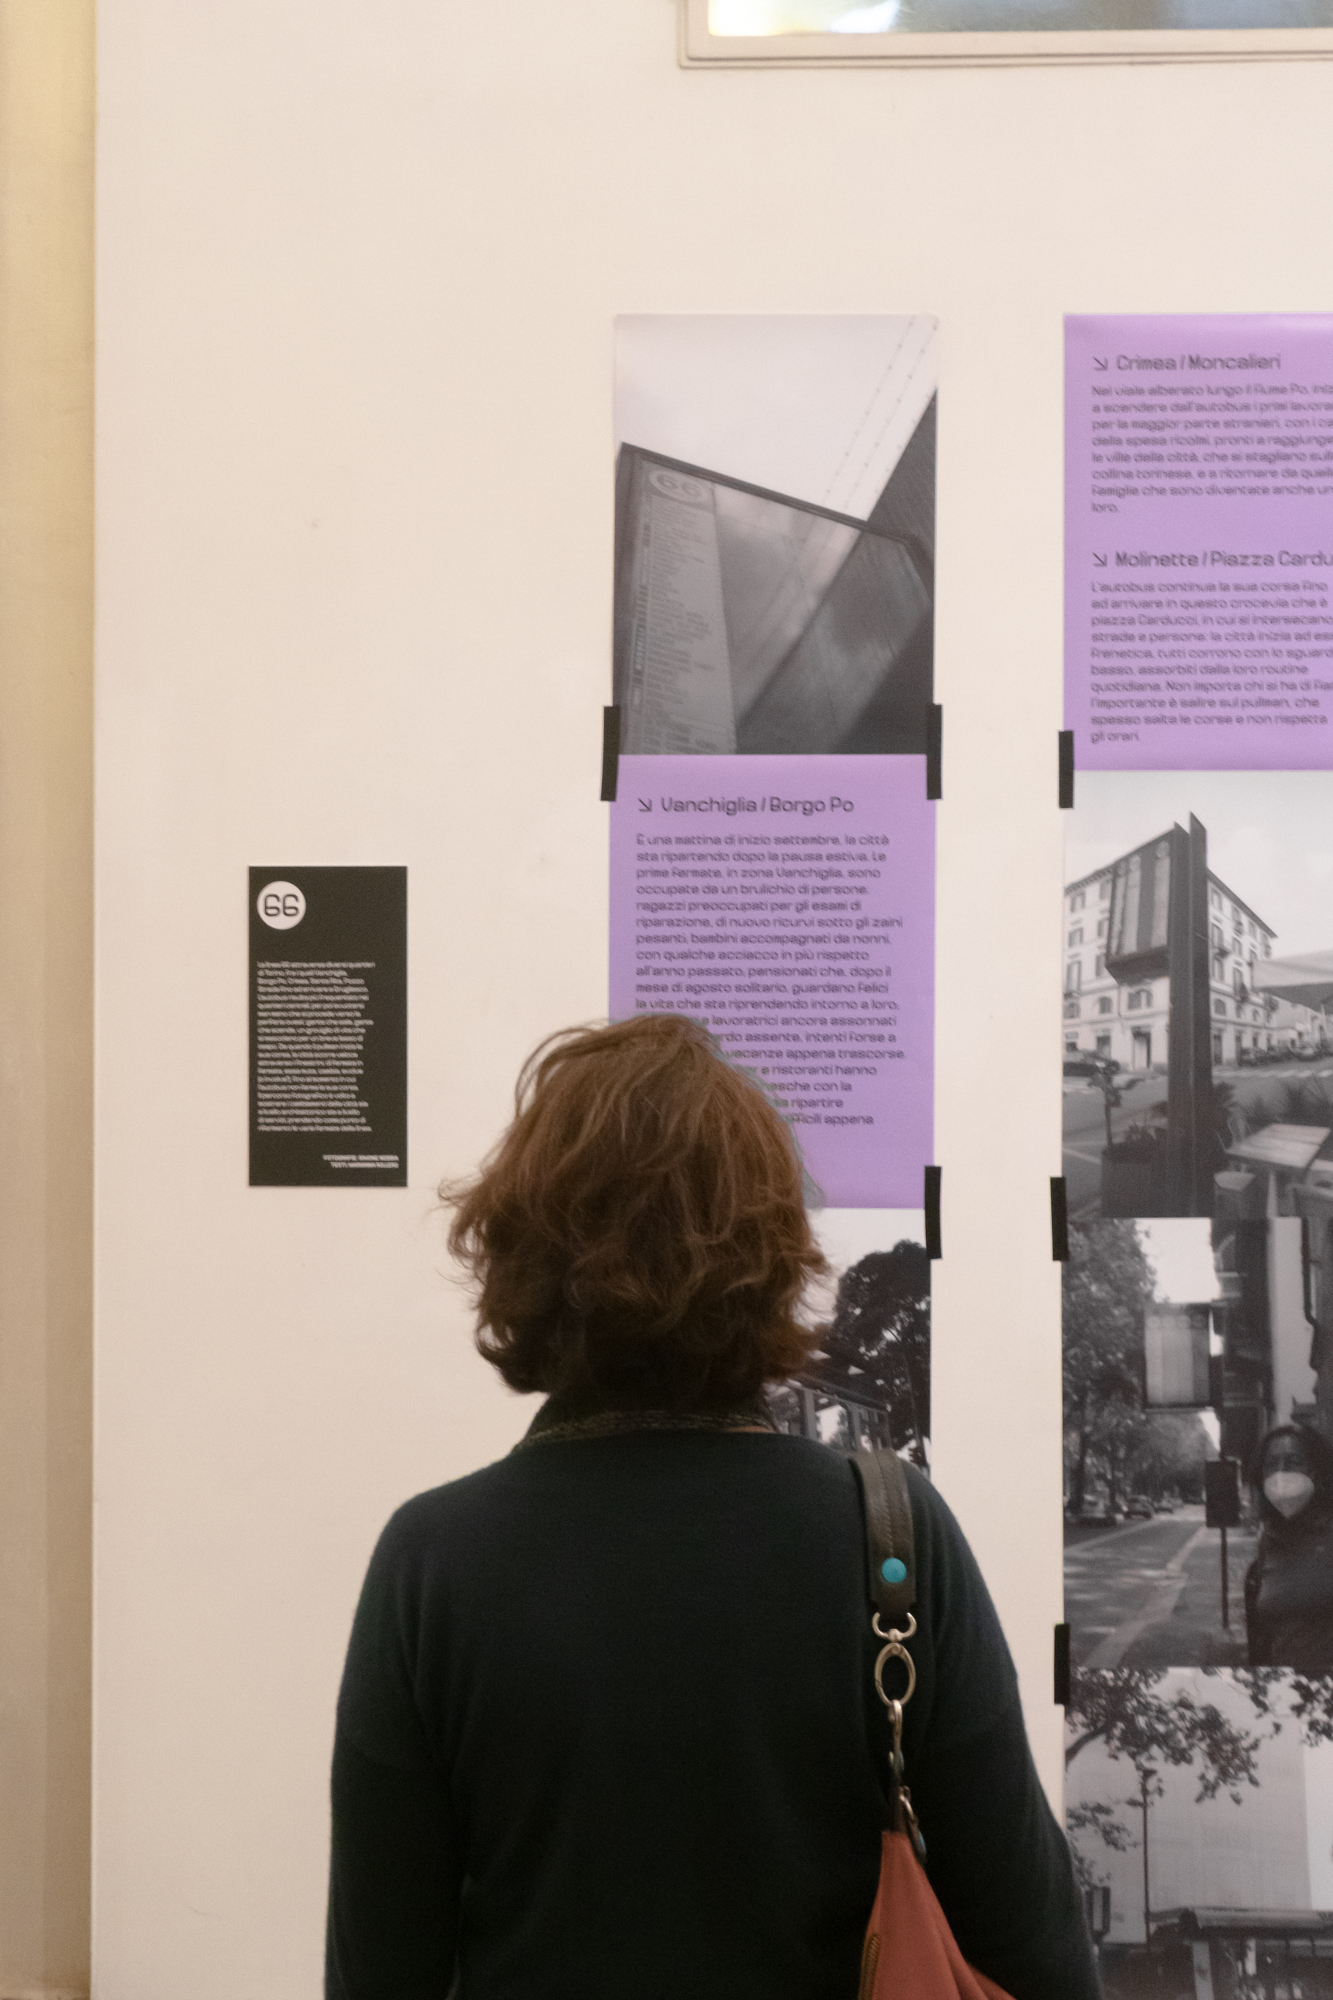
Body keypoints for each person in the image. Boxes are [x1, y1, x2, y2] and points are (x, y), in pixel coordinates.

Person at [325, 1014, 1098, 2000]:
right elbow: (1033, 1947)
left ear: (523, 1250)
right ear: (769, 1251)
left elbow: (378, 1970)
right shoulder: (888, 1533)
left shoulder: (432, 1560)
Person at [1245, 1420, 1333, 1672]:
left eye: (1293, 1462)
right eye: (1271, 1465)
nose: (1280, 1474)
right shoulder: (1269, 1542)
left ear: (1317, 1471)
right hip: (1284, 1687)